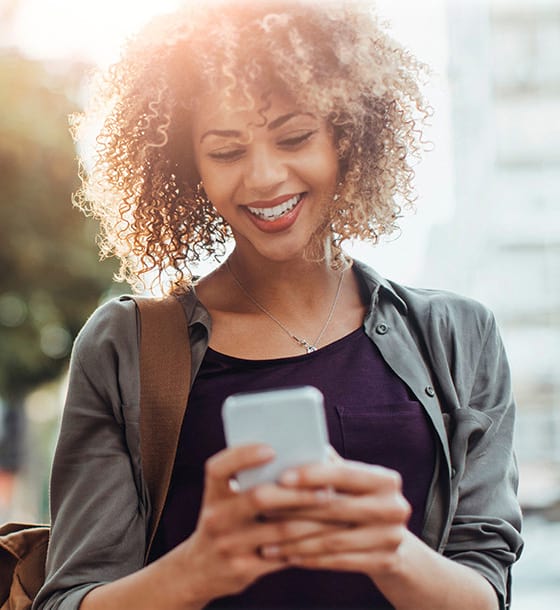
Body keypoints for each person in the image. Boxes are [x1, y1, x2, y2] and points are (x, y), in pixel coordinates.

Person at [34, 1, 523, 609]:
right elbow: (66, 600)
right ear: (190, 168)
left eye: (294, 137)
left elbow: (485, 592)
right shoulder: (125, 346)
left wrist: (389, 551)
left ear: (347, 135)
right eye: (226, 151)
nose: (264, 178)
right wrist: (199, 568)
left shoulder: (458, 336)